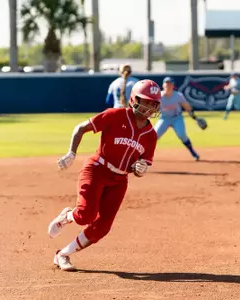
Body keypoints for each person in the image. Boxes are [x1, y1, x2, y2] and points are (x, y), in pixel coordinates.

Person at [48, 79, 161, 271]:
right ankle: (67, 216)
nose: (150, 106)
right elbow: (81, 128)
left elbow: (142, 165)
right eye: (147, 101)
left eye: (154, 103)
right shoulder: (115, 115)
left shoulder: (150, 134)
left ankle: (63, 254)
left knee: (103, 227)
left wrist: (140, 169)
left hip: (119, 180)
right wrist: (71, 153)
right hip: (97, 170)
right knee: (86, 215)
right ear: (134, 99)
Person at [154, 77, 200, 161]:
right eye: (166, 83)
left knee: (182, 135)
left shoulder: (178, 95)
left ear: (173, 85)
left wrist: (195, 118)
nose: (168, 85)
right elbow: (152, 108)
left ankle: (193, 153)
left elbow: (187, 107)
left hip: (177, 118)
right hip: (164, 118)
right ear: (163, 85)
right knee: (153, 136)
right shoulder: (158, 96)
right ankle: (144, 155)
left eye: (170, 83)